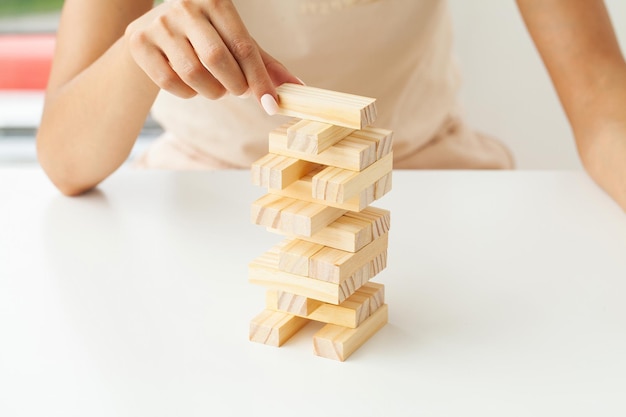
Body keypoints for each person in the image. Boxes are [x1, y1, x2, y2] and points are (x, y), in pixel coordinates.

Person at [36, 0, 626, 211]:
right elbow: (64, 158)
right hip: (212, 180)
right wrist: (141, 48)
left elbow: (603, 101)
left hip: (421, 169)